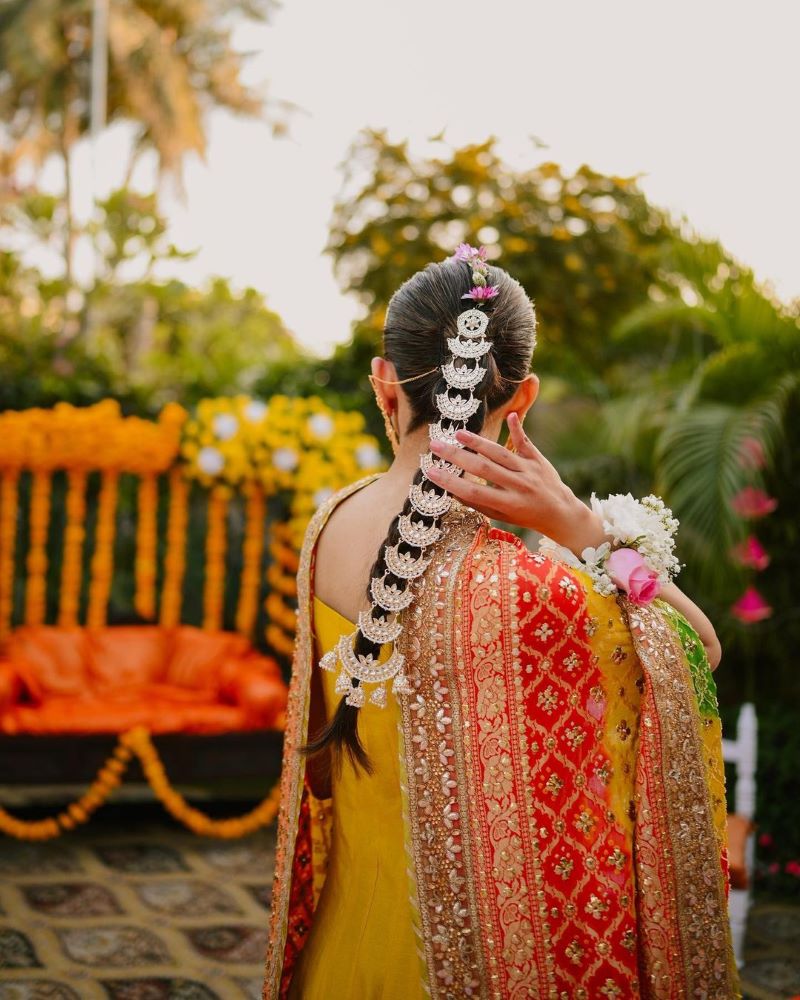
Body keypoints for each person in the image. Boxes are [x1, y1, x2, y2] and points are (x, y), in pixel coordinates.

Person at [263, 246, 739, 999]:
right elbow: (692, 644)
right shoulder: (531, 592)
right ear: (519, 398)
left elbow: (323, 764)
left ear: (385, 381)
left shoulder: (328, 526)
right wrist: (585, 532)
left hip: (343, 954)